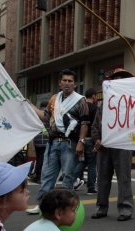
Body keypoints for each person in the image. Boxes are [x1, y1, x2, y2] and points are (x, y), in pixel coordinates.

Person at [26, 69, 89, 214]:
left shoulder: (81, 100)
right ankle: (43, 204)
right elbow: (46, 117)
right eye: (64, 81)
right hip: (53, 142)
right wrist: (31, 106)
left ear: (75, 84)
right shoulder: (54, 99)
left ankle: (66, 207)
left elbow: (85, 123)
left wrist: (81, 142)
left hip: (70, 143)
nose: (67, 83)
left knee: (68, 175)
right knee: (47, 175)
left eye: (70, 81)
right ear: (60, 83)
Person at [91, 68, 135, 221]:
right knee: (102, 178)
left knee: (124, 178)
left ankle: (125, 209)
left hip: (123, 146)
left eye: (123, 78)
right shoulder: (104, 104)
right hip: (104, 147)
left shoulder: (132, 103)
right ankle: (101, 207)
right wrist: (96, 139)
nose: (119, 81)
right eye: (116, 78)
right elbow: (96, 124)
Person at [72, 88, 98, 195]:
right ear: (93, 96)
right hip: (91, 139)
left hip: (81, 139)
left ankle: (71, 181)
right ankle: (91, 188)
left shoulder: (81, 107)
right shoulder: (95, 108)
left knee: (82, 162)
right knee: (92, 164)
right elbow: (97, 124)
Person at [30, 101, 50, 183]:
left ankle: (36, 175)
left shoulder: (36, 114)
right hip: (44, 141)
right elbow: (44, 128)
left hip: (36, 140)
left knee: (38, 159)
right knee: (42, 160)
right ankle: (39, 177)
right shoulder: (45, 115)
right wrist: (47, 134)